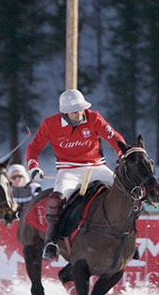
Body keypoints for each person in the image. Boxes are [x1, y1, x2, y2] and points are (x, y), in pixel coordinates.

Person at [25, 89, 127, 261]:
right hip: (69, 171)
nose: (79, 113)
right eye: (74, 110)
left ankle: (128, 235)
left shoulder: (93, 117)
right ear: (64, 112)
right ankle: (51, 242)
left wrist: (122, 154)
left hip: (97, 167)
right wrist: (33, 167)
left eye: (81, 108)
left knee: (124, 192)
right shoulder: (50, 124)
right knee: (56, 199)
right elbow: (33, 148)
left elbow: (114, 137)